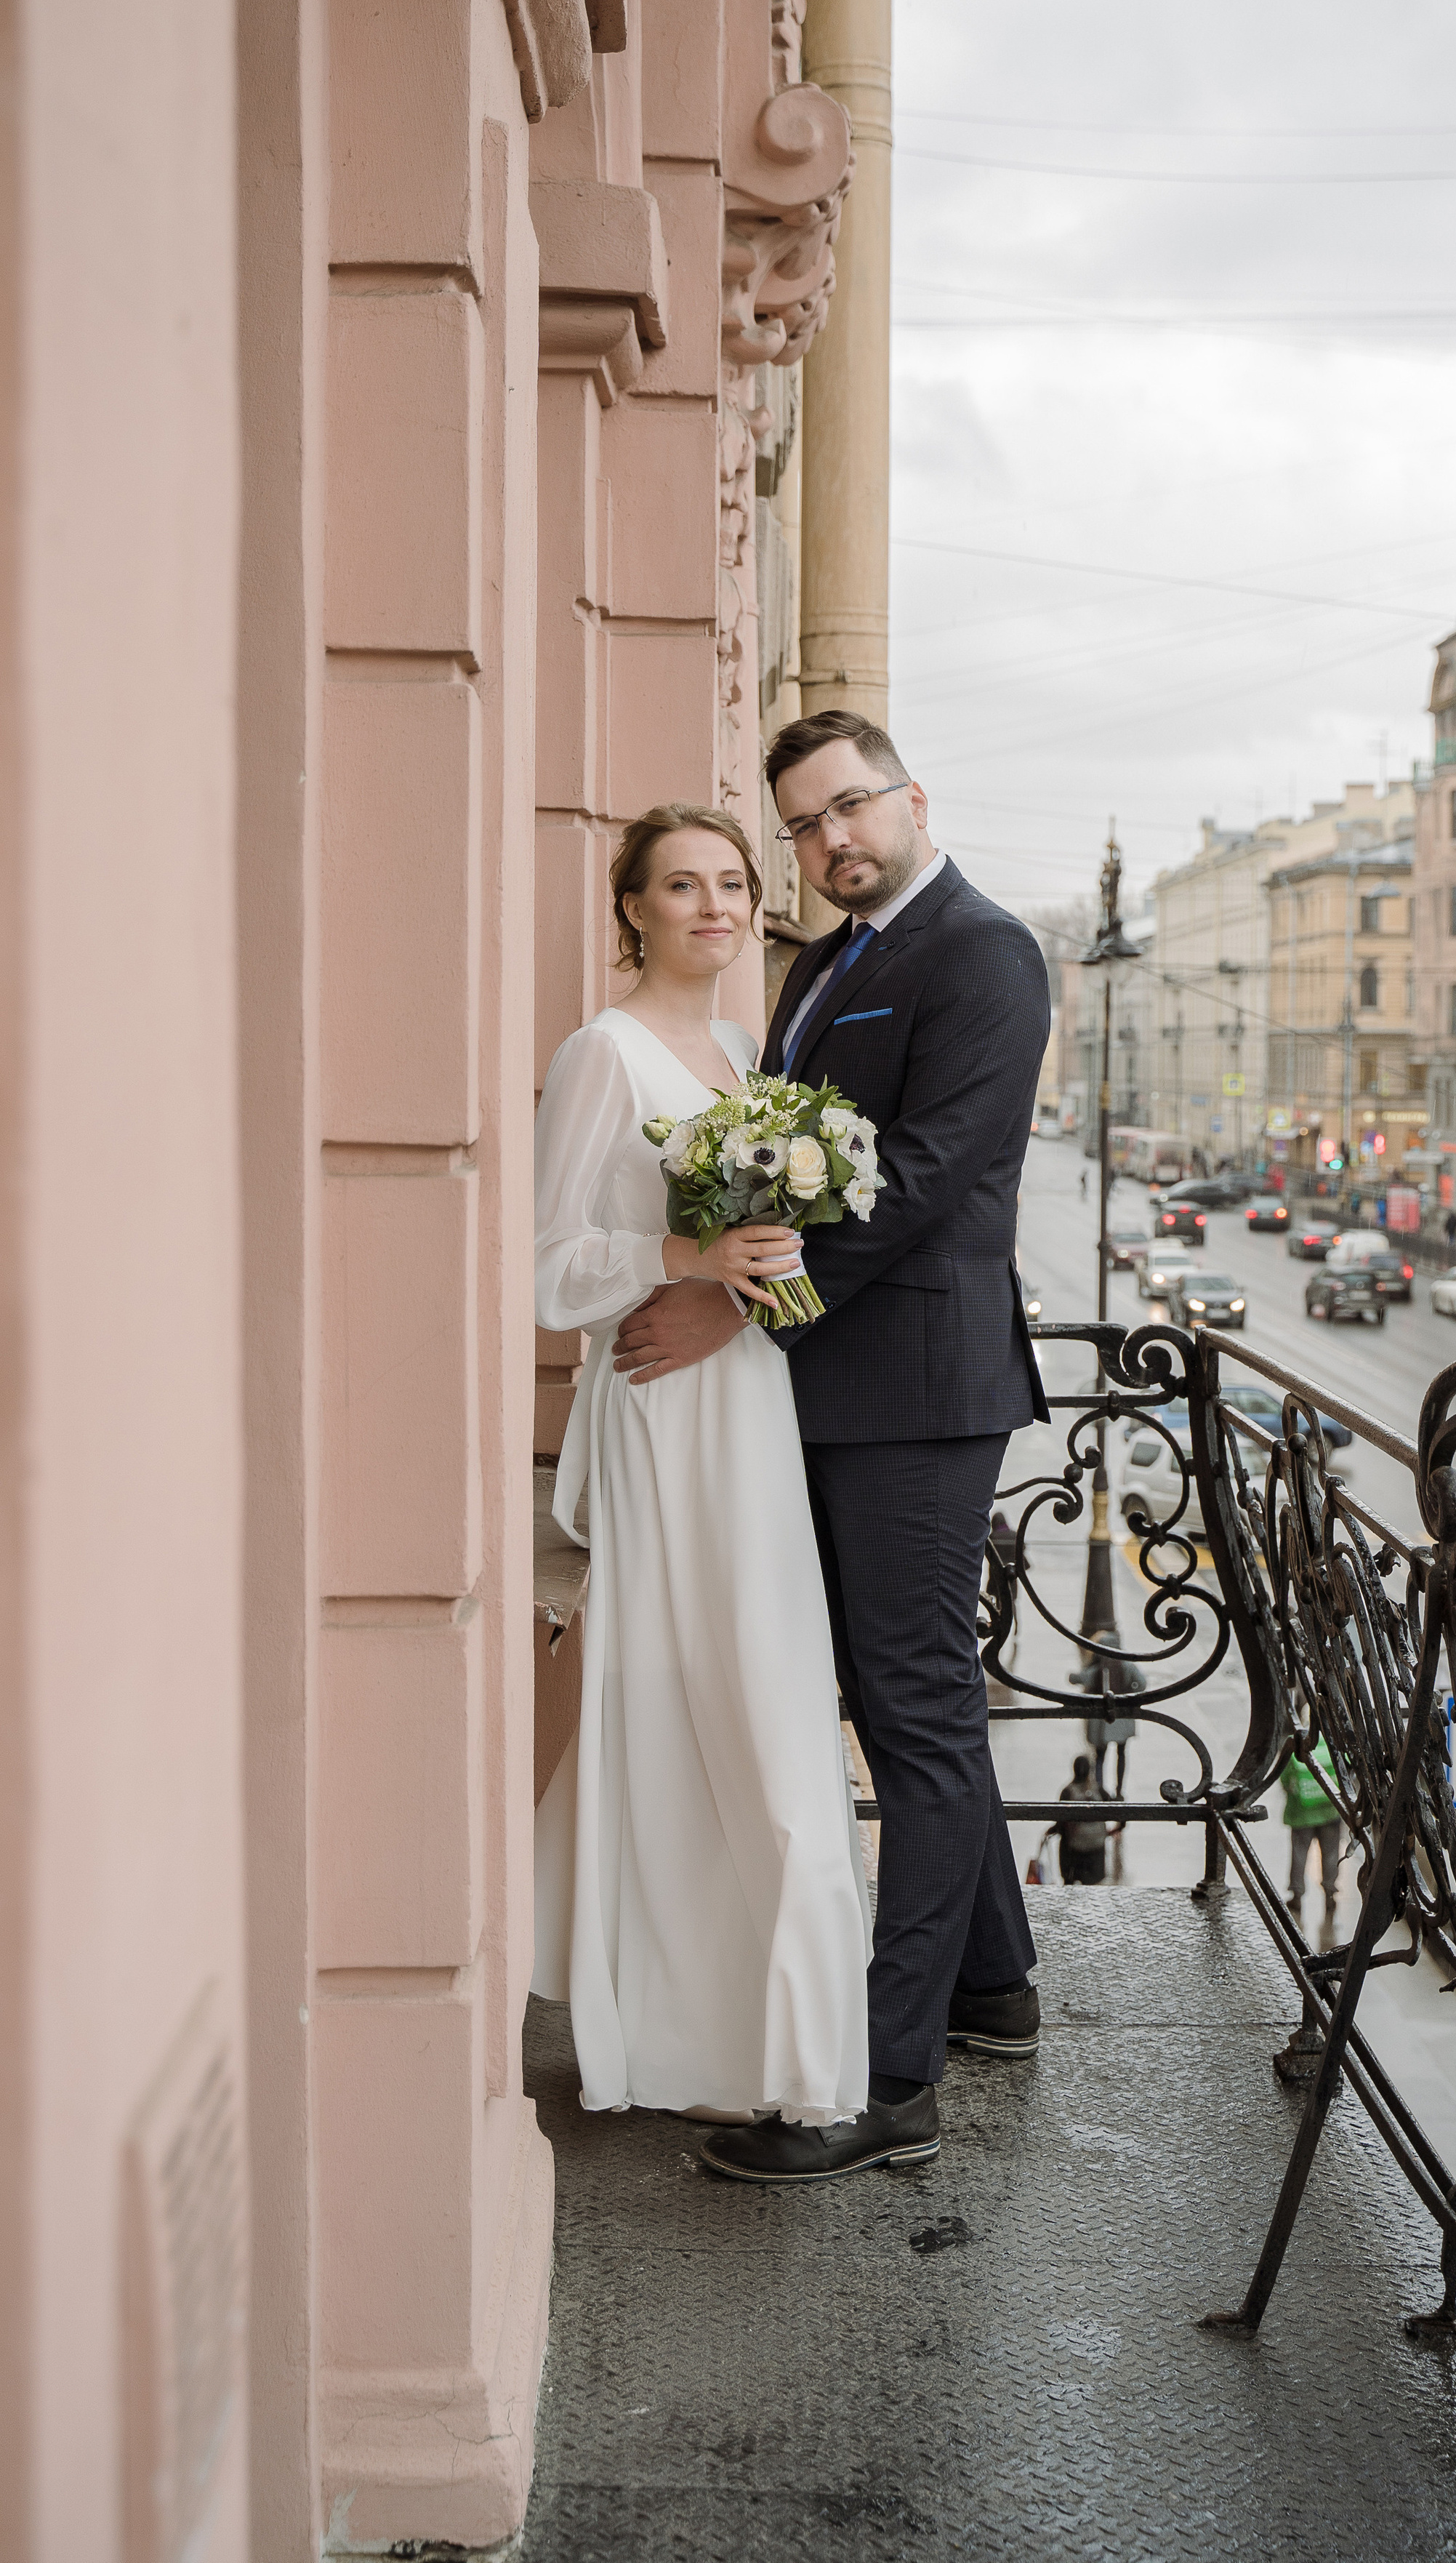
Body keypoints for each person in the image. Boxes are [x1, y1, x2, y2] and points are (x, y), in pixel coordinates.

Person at [610, 710, 1052, 2184]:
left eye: (849, 809)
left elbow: (929, 1177)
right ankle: (991, 1983)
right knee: (898, 1692)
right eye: (802, 825)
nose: (830, 841)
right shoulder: (824, 961)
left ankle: (885, 2078)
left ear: (911, 798)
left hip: (918, 1390)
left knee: (913, 1712)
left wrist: (743, 1313)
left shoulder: (982, 952)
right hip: (832, 1388)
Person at [531, 804, 872, 2132]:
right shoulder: (603, 1056)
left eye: (733, 881)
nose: (716, 906)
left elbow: (760, 1245)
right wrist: (687, 1264)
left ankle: (762, 2020)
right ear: (634, 909)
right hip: (664, 1413)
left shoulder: (743, 1049)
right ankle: (684, 2030)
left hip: (750, 1398)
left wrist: (763, 1274)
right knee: (690, 1687)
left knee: (767, 1682)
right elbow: (545, 1270)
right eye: (683, 885)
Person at [1283, 1741, 1341, 1919]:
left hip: (1302, 1814)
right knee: (1331, 1854)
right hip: (1330, 1811)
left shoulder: (1296, 1743)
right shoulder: (1333, 1742)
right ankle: (1330, 1894)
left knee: (1299, 1854)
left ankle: (1297, 1895)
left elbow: (1284, 1779)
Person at [1056, 1754, 1107, 1885]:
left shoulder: (1068, 1792)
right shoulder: (1098, 1790)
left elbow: (1061, 1821)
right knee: (1093, 1886)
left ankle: (1068, 1883)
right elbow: (1116, 1809)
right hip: (1096, 1846)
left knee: (1064, 1841)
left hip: (1074, 1849)